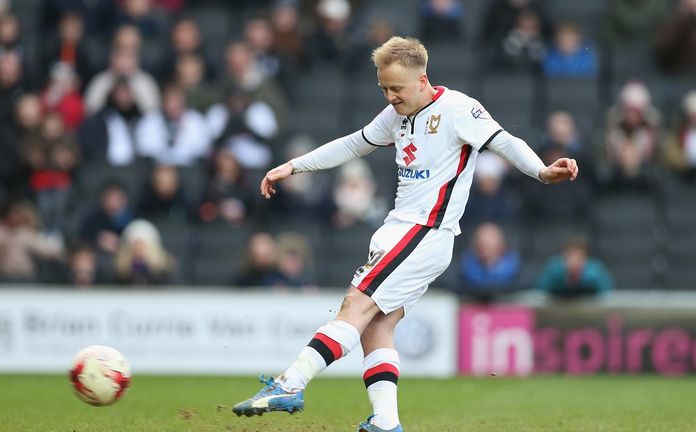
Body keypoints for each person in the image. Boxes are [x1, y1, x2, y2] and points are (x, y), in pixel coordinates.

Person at [231, 36, 579, 432]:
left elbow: (505, 142)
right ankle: (386, 423)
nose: (390, 96)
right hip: (402, 231)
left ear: (422, 79)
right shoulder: (395, 114)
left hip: (424, 231)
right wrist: (292, 166)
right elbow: (352, 144)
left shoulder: (458, 109)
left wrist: (541, 171)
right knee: (377, 327)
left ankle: (290, 383)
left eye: (396, 88)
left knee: (354, 307)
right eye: (383, 87)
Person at [536, 237, 613, 297]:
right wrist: (561, 284)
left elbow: (606, 292)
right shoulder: (553, 269)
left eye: (579, 257)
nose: (574, 261)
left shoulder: (596, 270)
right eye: (569, 256)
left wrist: (584, 284)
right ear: (563, 257)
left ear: (586, 258)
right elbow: (541, 293)